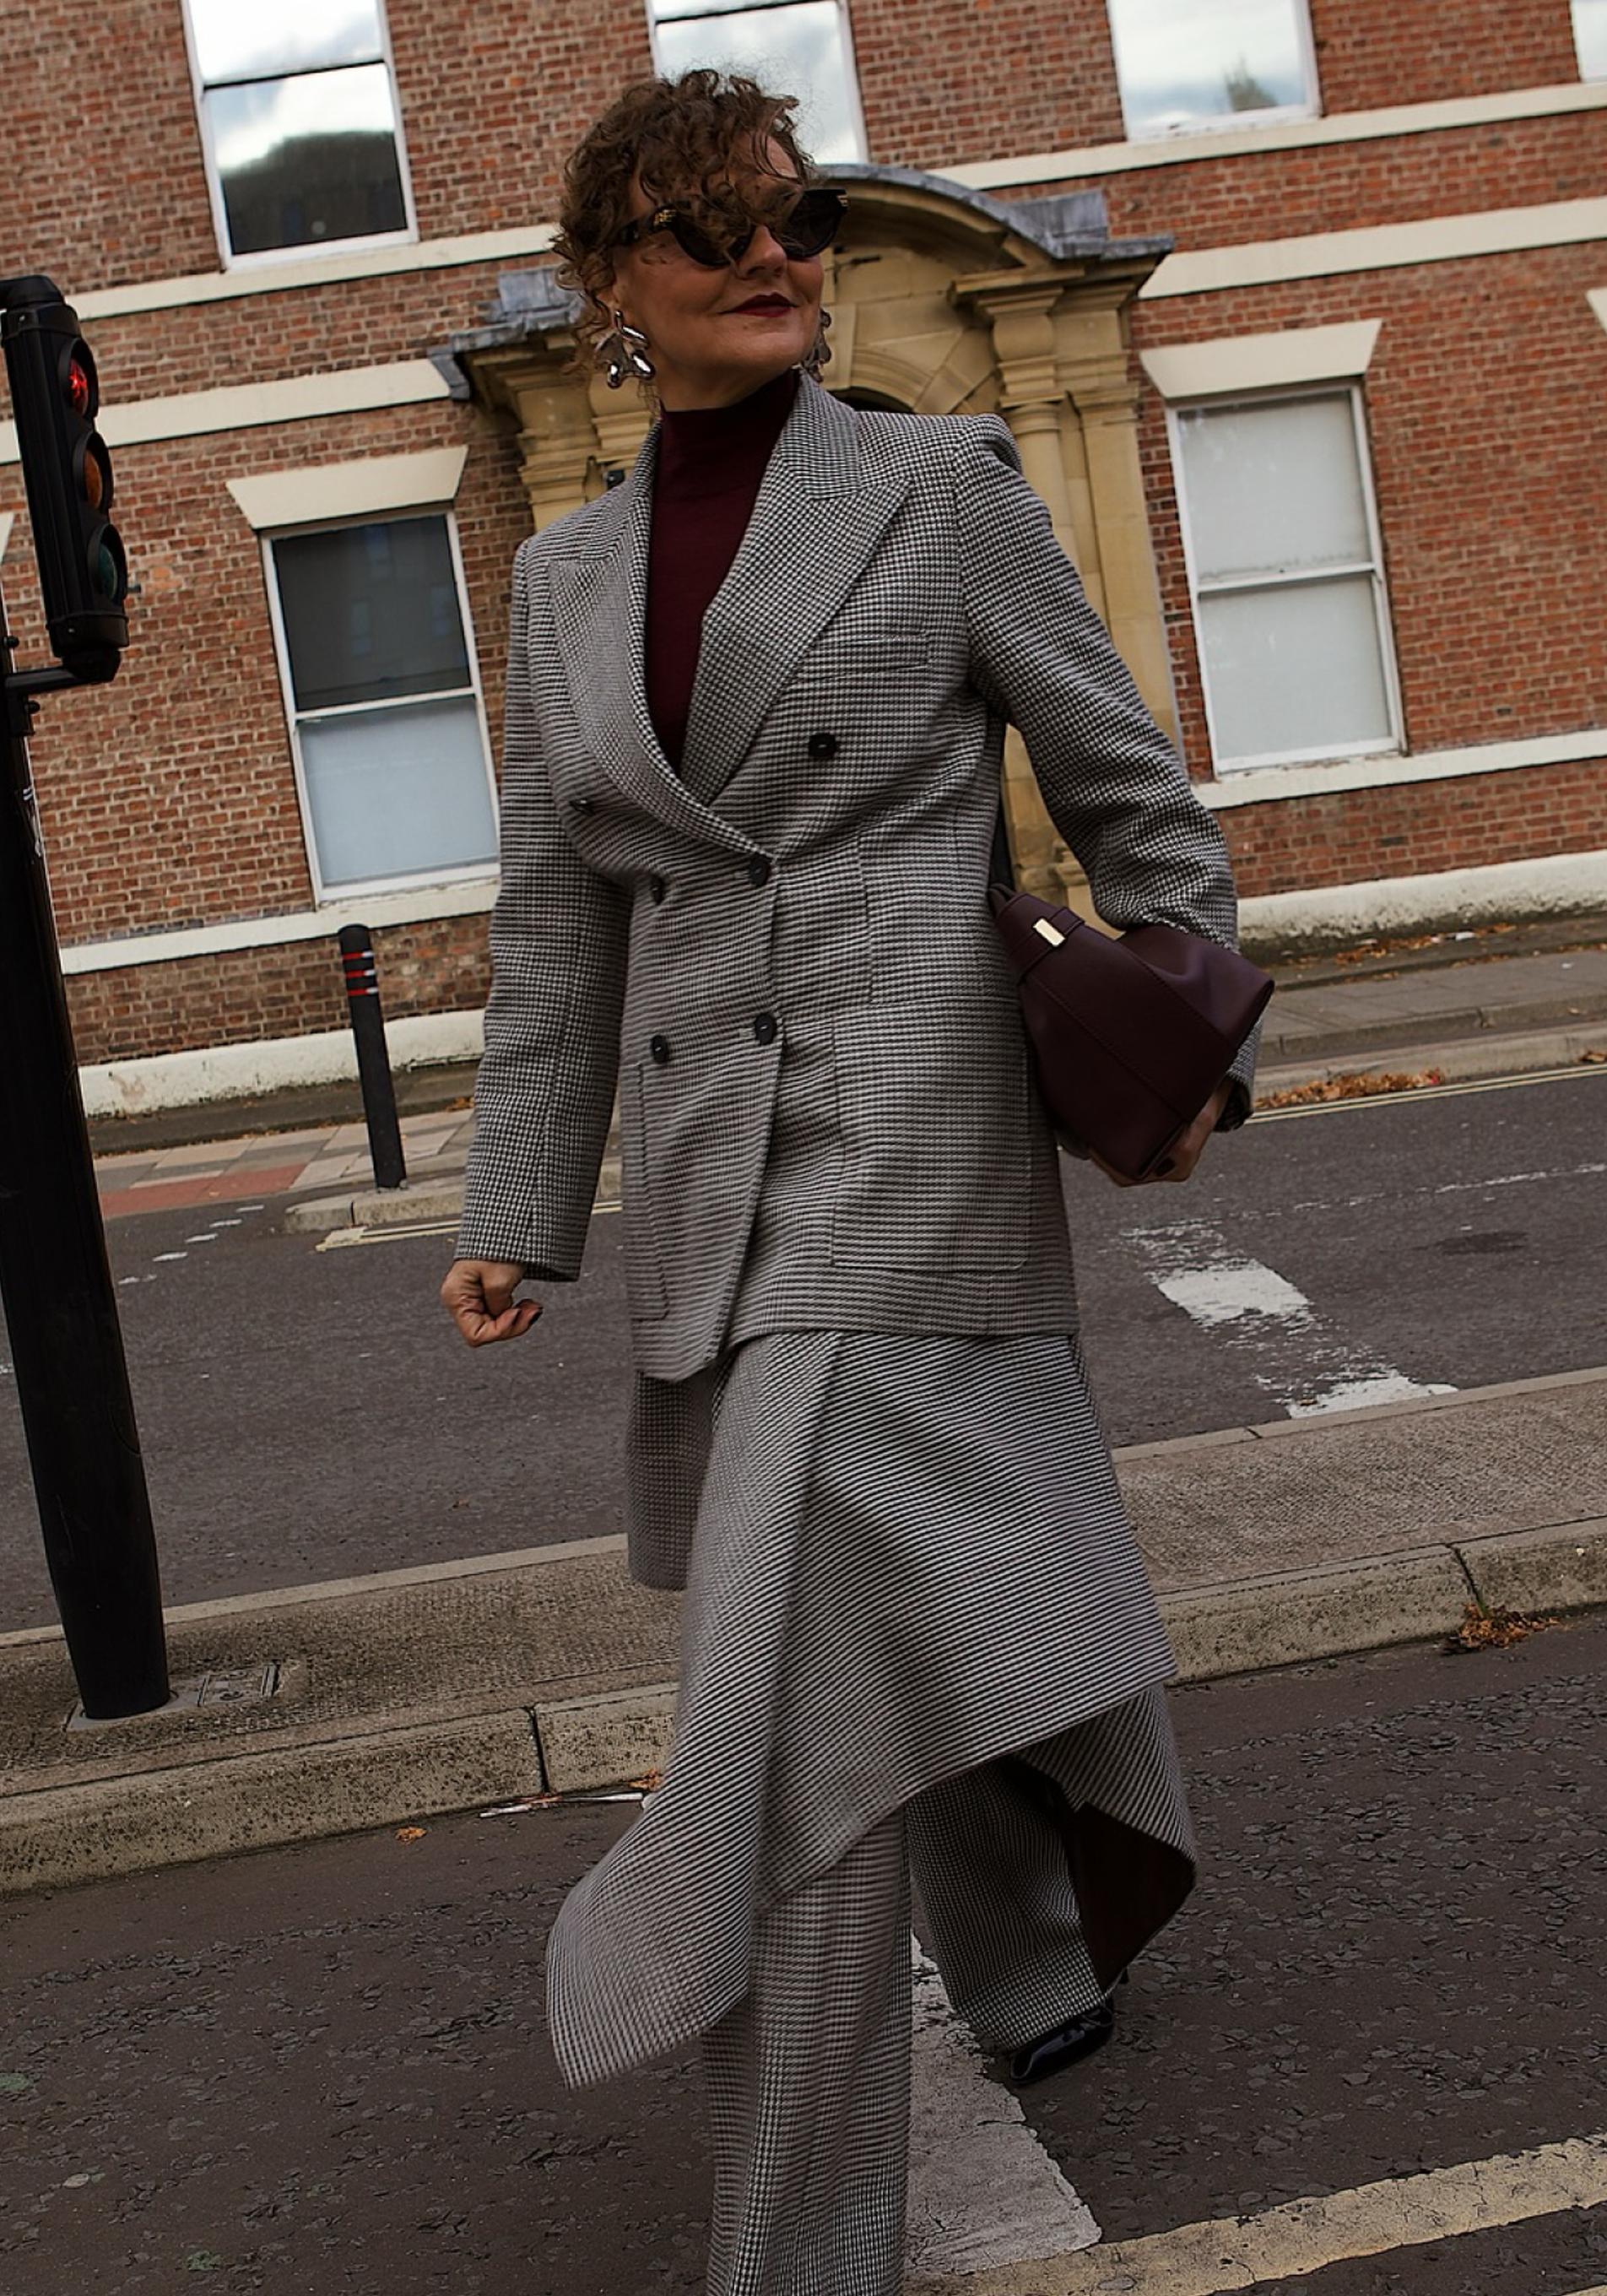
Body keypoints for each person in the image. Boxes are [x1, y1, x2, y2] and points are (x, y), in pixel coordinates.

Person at [440, 68, 1259, 2296]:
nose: (770, 252)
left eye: (790, 213)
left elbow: (1130, 792)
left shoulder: (937, 483)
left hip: (920, 1155)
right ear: (618, 286)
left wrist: (1200, 1027)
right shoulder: (571, 578)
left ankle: (801, 2231)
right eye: (711, 230)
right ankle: (1044, 1941)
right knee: (880, 1581)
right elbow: (559, 921)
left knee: (781, 1684)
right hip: (719, 1177)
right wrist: (520, 1204)